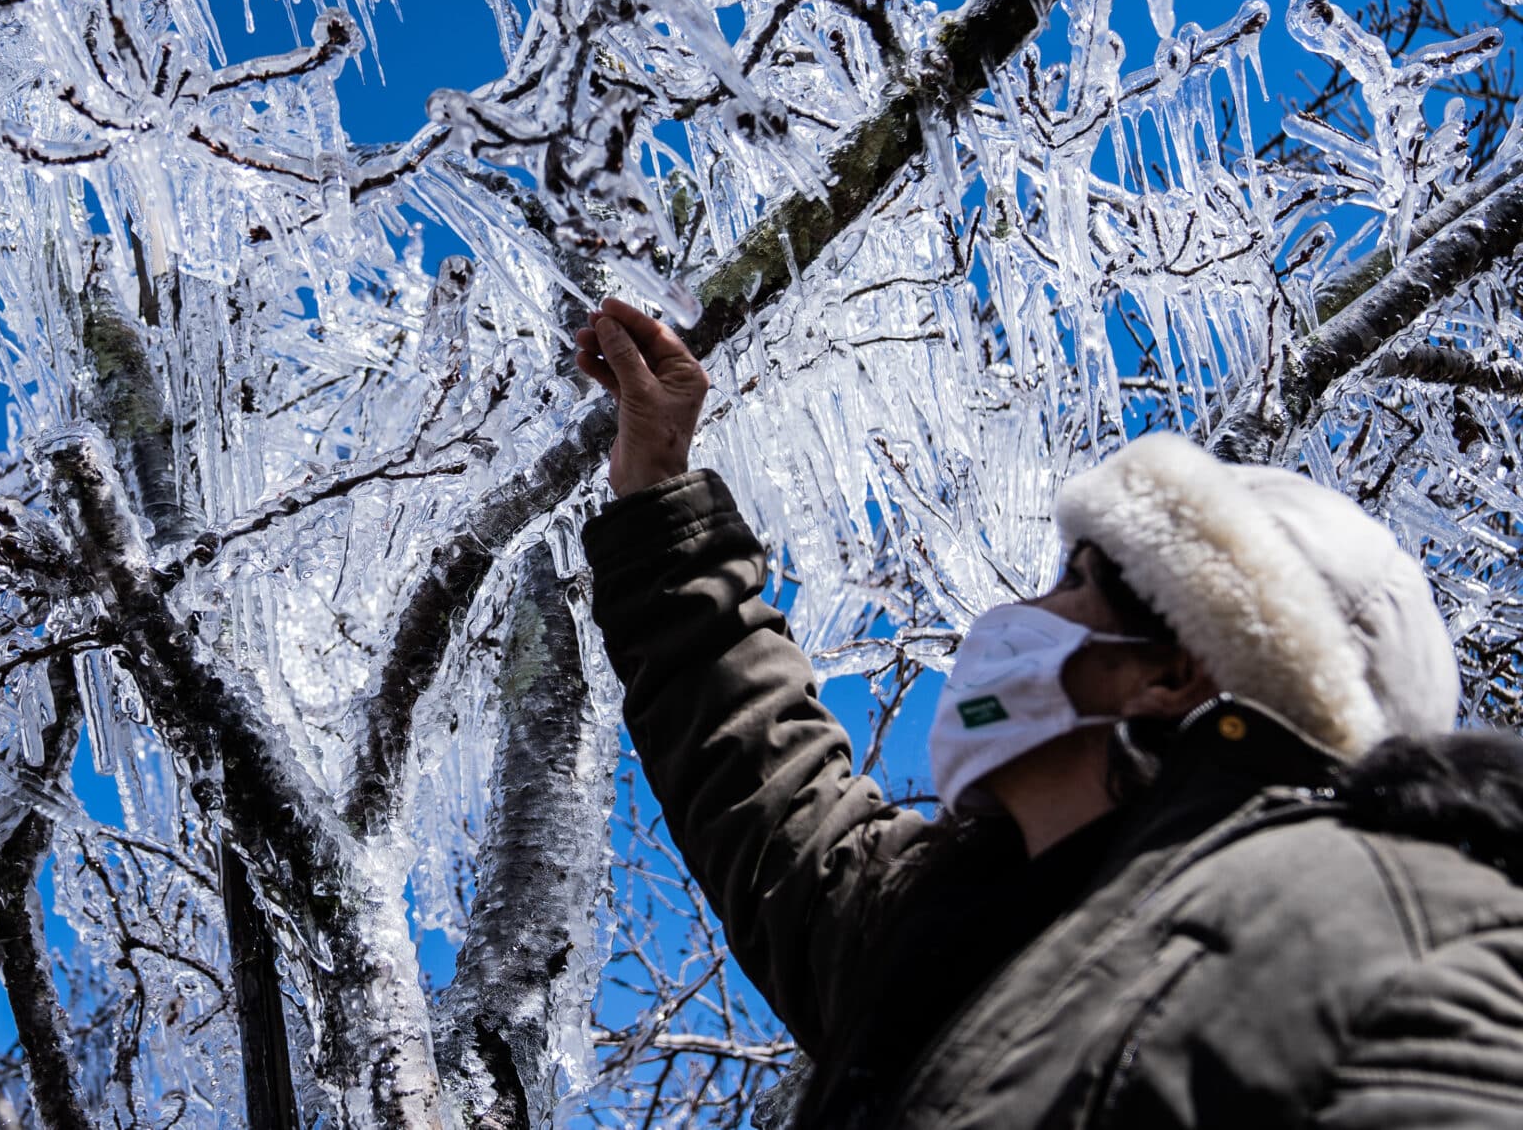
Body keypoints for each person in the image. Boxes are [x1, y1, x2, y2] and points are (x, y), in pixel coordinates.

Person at [574, 297, 1523, 1129]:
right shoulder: (940, 934)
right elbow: (760, 773)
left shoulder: (1399, 930)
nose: (1011, 619)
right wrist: (659, 489)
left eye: (1076, 584)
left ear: (1176, 670)